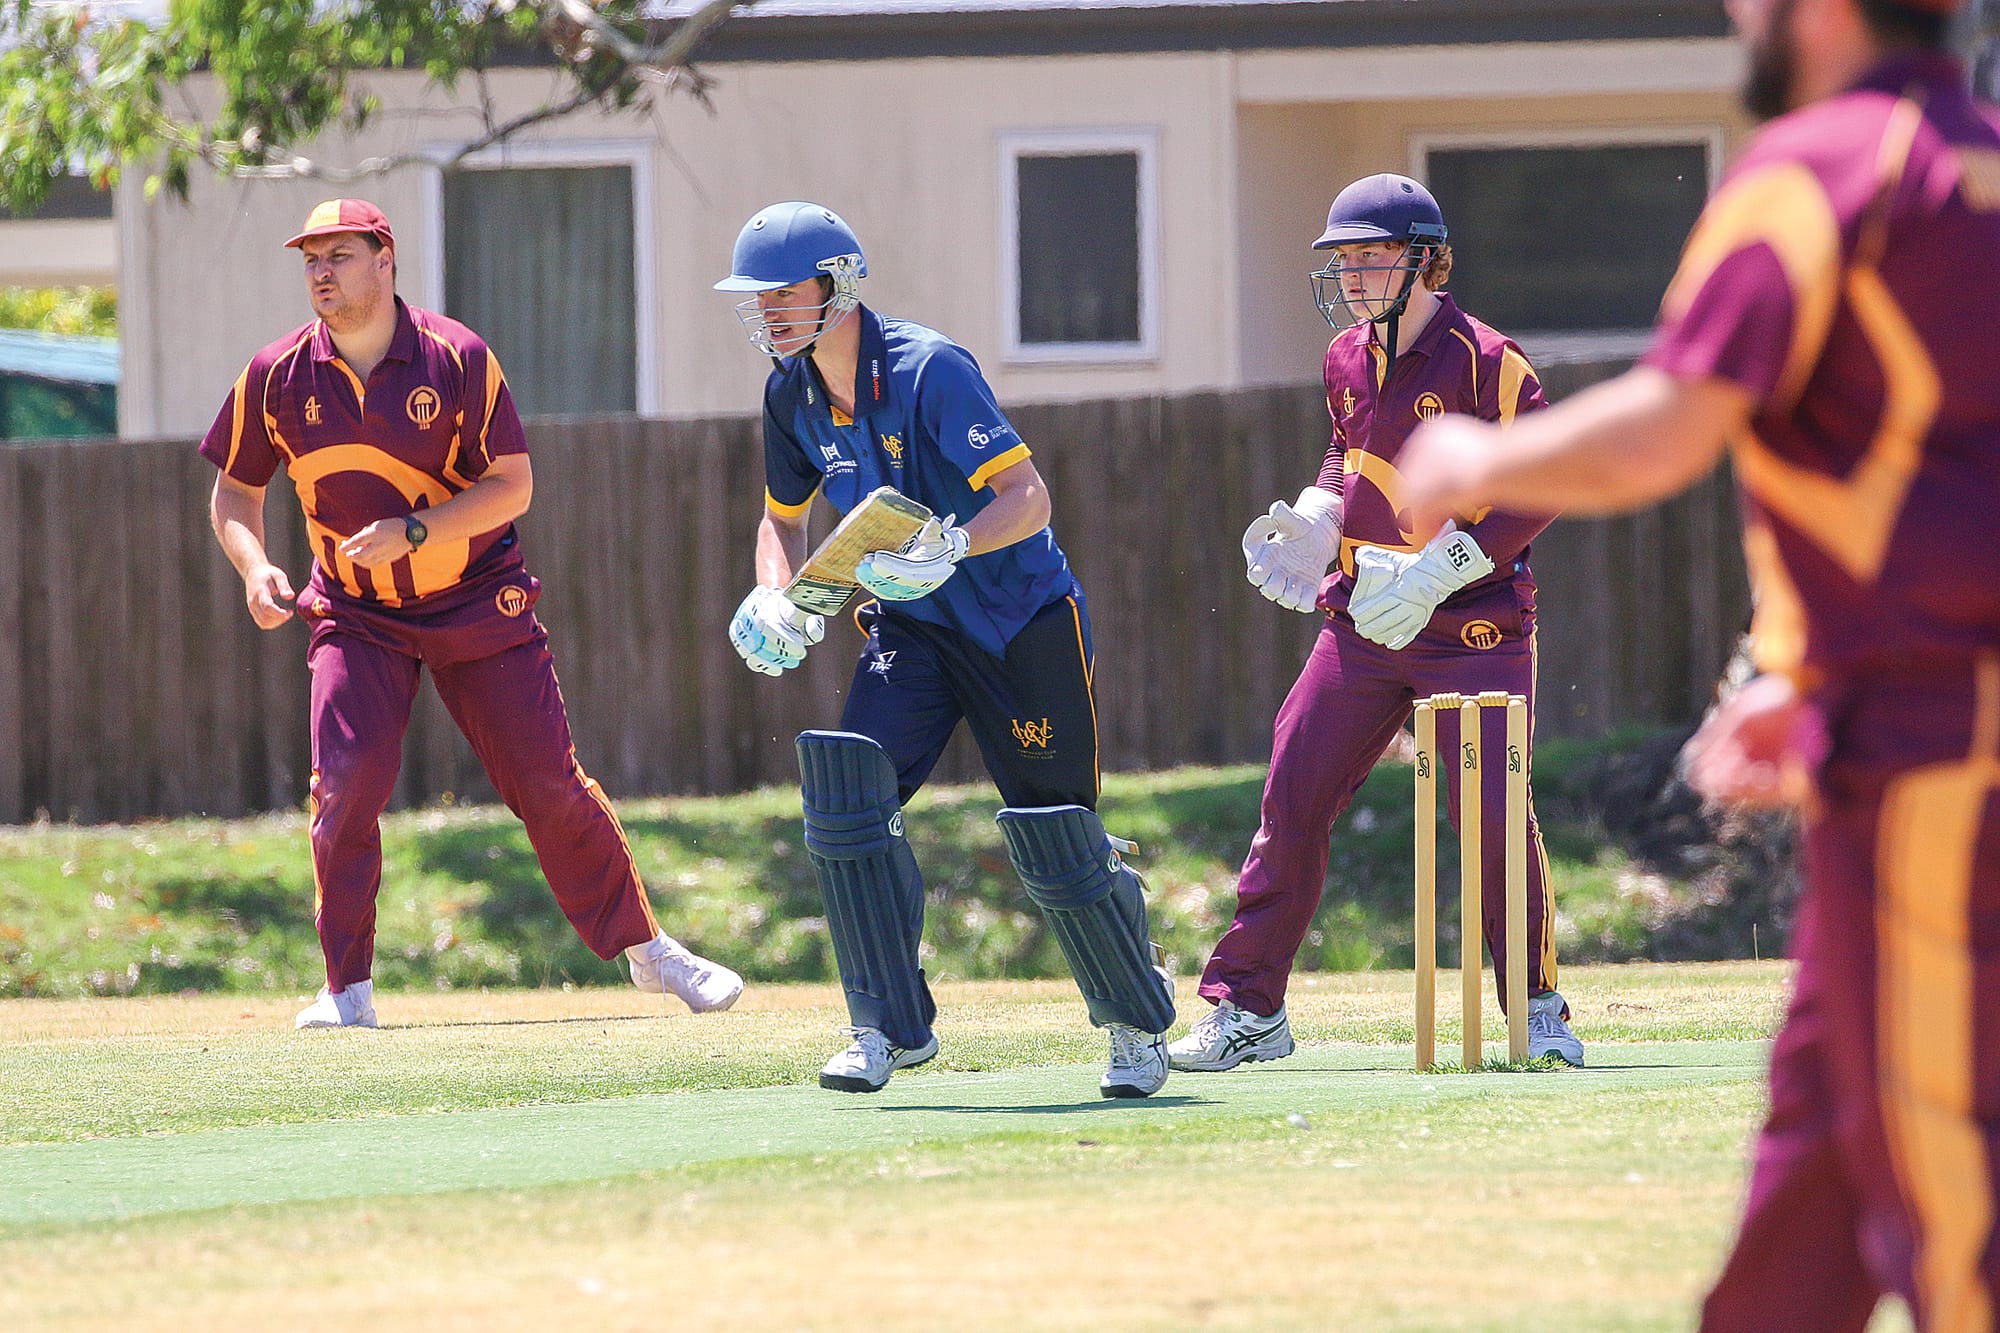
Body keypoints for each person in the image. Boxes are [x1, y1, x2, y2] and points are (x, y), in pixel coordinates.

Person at [1398, 1, 1997, 1326]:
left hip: (1941, 756)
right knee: (1821, 1170)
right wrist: (1805, 667)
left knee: (1965, 1223)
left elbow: (1668, 427)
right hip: (1911, 723)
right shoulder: (1973, 168)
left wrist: (1473, 460)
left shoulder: (1816, 174)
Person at [201, 198, 743, 1029]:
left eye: (339, 254)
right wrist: (257, 566)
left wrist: (414, 531)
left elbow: (512, 484)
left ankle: (651, 952)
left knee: (547, 784)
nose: (320, 271)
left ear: (385, 260)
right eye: (310, 257)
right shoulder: (277, 373)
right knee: (344, 789)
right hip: (357, 613)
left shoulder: (457, 356)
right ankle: (346, 991)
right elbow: (235, 490)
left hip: (477, 598)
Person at [713, 200, 1176, 1097]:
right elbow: (780, 521)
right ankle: (886, 1025)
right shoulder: (790, 394)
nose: (768, 310)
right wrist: (777, 594)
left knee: (1058, 837)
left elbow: (1028, 497)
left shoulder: (930, 370)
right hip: (911, 632)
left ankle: (1132, 1019)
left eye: (784, 291)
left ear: (840, 284)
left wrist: (952, 544)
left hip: (1019, 625)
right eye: (756, 296)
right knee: (847, 793)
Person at [1165, 173, 1585, 1075]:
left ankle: (1539, 1006)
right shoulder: (1346, 356)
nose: (1353, 277)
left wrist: (1443, 571)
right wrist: (1320, 516)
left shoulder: (1489, 361)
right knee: (1293, 790)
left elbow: (1538, 485)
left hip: (1474, 622)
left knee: (1491, 814)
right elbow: (1347, 448)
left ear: (1427, 260)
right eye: (1343, 260)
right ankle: (1247, 1009)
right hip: (1361, 618)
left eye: (1372, 257)